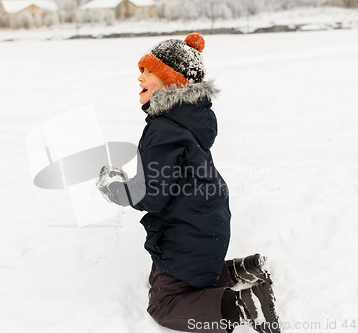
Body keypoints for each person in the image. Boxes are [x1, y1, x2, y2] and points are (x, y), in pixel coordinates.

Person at [97, 33, 281, 333]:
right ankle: (241, 269)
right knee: (183, 275)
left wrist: (115, 189)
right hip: (207, 224)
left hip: (188, 234)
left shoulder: (164, 129)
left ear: (171, 81)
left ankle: (246, 306)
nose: (139, 78)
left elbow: (150, 194)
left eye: (148, 71)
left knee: (164, 303)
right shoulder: (190, 120)